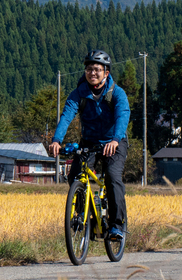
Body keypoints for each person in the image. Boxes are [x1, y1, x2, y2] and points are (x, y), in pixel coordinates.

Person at [49, 50, 131, 241]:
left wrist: (115, 139)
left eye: (96, 70)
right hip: (90, 142)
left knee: (112, 177)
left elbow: (122, 116)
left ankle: (116, 226)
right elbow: (67, 114)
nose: (92, 73)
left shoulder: (116, 93)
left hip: (114, 142)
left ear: (106, 72)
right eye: (88, 69)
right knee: (75, 175)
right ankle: (82, 219)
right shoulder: (79, 93)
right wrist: (56, 140)